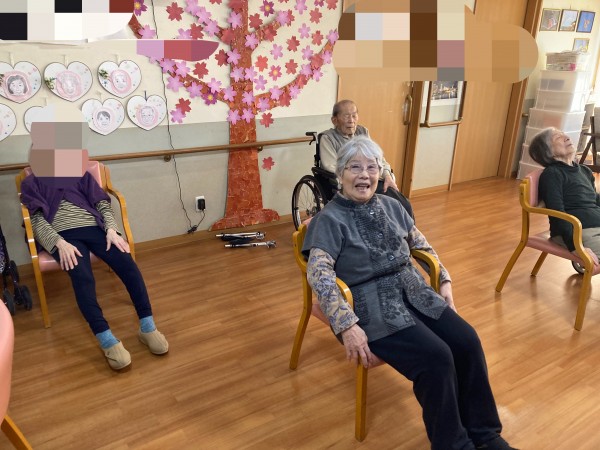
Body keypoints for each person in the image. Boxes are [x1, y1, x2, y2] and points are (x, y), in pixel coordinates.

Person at [302, 136, 516, 450]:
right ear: (340, 174)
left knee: (467, 341)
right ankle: (453, 444)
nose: (364, 175)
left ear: (379, 173)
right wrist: (346, 325)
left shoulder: (392, 206)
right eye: (355, 167)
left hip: (414, 289)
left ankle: (486, 434)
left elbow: (422, 246)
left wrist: (444, 281)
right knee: (436, 357)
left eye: (371, 167)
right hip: (369, 305)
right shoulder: (329, 220)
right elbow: (319, 276)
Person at [20, 137, 168, 371]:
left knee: (128, 265)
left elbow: (102, 204)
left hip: (96, 229)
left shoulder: (79, 174)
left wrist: (111, 229)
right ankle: (107, 341)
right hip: (63, 237)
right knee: (83, 277)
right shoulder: (31, 183)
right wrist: (58, 243)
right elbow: (36, 220)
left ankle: (148, 327)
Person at [319, 99, 414, 218]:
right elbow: (331, 166)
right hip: (350, 183)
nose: (351, 120)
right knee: (384, 205)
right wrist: (353, 175)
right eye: (346, 116)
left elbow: (377, 157)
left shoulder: (362, 132)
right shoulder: (328, 138)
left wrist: (387, 175)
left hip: (371, 181)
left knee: (401, 203)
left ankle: (406, 227)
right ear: (334, 120)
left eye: (354, 116)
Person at [529, 127, 600, 263]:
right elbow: (556, 212)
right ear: (548, 152)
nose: (566, 137)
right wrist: (574, 246)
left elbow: (594, 199)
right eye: (558, 138)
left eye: (564, 134)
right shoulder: (552, 174)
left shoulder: (585, 171)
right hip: (578, 232)